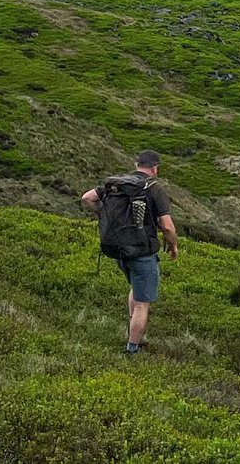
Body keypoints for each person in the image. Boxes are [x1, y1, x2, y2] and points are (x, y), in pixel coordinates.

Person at [82, 150, 178, 354]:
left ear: (137, 165)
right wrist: (173, 245)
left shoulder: (117, 184)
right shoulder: (154, 188)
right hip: (142, 252)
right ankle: (132, 348)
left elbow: (87, 197)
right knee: (143, 303)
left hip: (118, 249)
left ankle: (132, 328)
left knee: (136, 287)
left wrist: (105, 215)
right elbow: (167, 227)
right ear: (155, 169)